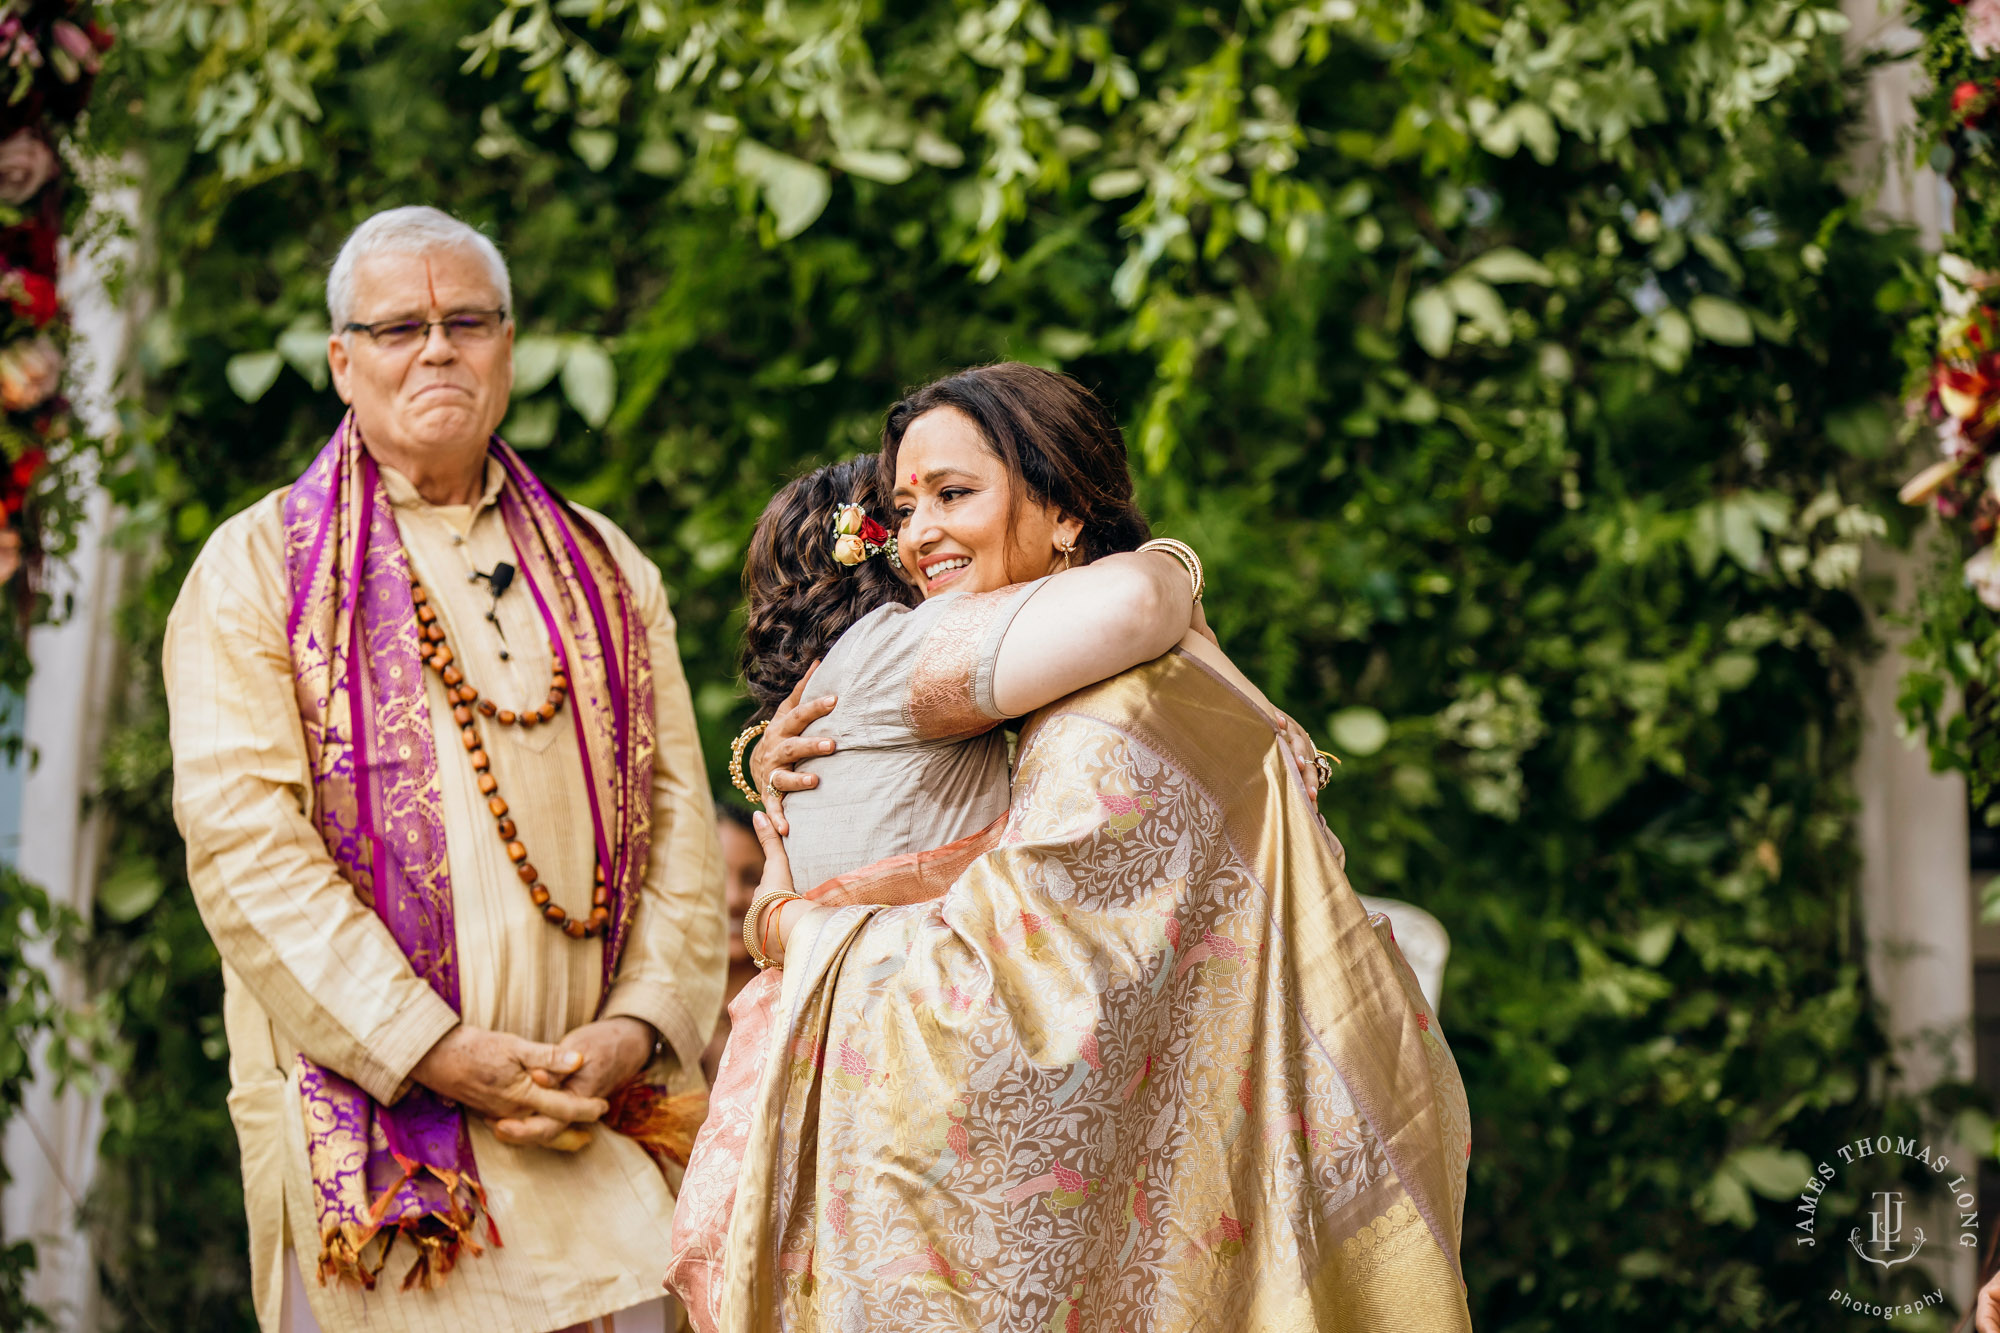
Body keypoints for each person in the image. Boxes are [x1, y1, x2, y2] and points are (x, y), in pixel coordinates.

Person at [669, 364, 1471, 1331]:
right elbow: (1030, 974)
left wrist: (796, 920)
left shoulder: (1105, 698)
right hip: (933, 1155)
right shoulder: (962, 663)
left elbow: (1055, 966)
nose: (917, 536)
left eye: (949, 495)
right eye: (897, 512)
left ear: (1062, 507)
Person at [165, 206, 725, 1333]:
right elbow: (246, 855)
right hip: (393, 1157)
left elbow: (683, 839)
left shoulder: (610, 570)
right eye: (397, 327)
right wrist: (437, 1050)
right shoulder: (258, 567)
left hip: (587, 1127)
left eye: (466, 320)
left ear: (507, 347)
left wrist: (633, 1030)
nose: (436, 348)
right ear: (342, 360)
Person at [701, 805, 766, 1085]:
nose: (732, 899)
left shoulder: (794, 1012)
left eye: (752, 879)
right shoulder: (650, 1012)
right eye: (714, 877)